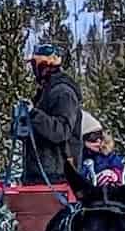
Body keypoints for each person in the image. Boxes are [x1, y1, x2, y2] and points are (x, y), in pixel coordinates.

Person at [20, 42, 82, 187]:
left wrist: (34, 114)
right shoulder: (44, 92)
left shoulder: (63, 92)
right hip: (38, 174)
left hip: (57, 176)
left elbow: (61, 130)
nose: (33, 69)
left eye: (35, 63)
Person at [81, 112, 125, 186]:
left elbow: (124, 168)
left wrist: (116, 174)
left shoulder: (107, 155)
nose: (98, 141)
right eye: (92, 137)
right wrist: (90, 177)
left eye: (99, 135)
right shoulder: (80, 156)